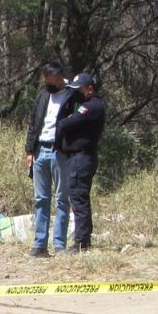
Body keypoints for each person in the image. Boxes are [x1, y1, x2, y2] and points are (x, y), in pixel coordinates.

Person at [23, 61, 75, 257]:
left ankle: (60, 245)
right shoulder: (43, 95)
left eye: (52, 82)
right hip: (40, 151)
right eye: (46, 82)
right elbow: (33, 123)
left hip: (60, 152)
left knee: (62, 199)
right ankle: (40, 245)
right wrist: (29, 151)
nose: (49, 85)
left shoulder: (72, 96)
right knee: (40, 199)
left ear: (60, 79)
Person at [55, 72, 106, 252]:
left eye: (80, 90)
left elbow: (65, 124)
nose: (77, 93)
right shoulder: (86, 105)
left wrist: (67, 120)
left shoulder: (92, 106)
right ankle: (82, 239)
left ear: (89, 89)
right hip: (77, 158)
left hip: (82, 158)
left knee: (79, 198)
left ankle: (82, 242)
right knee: (77, 197)